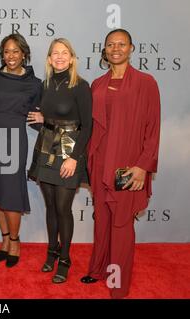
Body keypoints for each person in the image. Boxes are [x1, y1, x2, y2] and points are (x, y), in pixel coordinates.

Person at [80, 29, 160, 299]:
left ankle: (118, 282)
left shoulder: (145, 83)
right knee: (101, 219)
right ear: (104, 50)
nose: (116, 48)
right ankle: (99, 268)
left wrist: (142, 166)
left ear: (131, 48)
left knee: (121, 224)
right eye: (110, 44)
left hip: (127, 166)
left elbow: (153, 129)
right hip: (100, 163)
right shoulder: (98, 84)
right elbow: (92, 127)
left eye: (121, 44)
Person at [28, 38, 92, 283]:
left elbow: (87, 127)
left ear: (72, 57)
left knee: (63, 208)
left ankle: (65, 258)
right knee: (51, 207)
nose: (60, 57)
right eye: (55, 53)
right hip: (47, 147)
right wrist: (43, 120)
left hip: (69, 151)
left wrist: (74, 158)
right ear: (49, 59)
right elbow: (45, 118)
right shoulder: (45, 85)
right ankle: (51, 251)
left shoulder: (80, 86)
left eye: (64, 53)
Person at [0, 33, 42, 268]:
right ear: (2, 55)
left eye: (16, 51)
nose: (11, 55)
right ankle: (4, 240)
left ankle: (15, 241)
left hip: (15, 140)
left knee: (11, 194)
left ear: (24, 54)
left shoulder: (35, 83)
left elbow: (37, 116)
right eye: (7, 51)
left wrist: (44, 118)